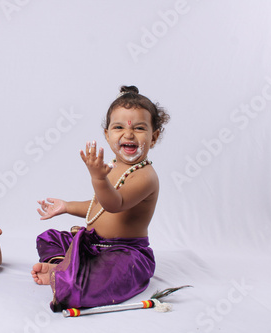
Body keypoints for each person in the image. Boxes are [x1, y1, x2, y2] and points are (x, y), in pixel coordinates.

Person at [31, 85, 170, 312]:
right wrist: (66, 206)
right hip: (94, 244)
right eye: (118, 127)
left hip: (126, 254)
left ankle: (68, 276)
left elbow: (114, 204)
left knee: (89, 283)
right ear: (107, 135)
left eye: (139, 128)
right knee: (50, 238)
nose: (128, 134)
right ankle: (60, 266)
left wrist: (98, 178)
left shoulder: (145, 176)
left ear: (153, 137)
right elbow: (98, 207)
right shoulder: (114, 167)